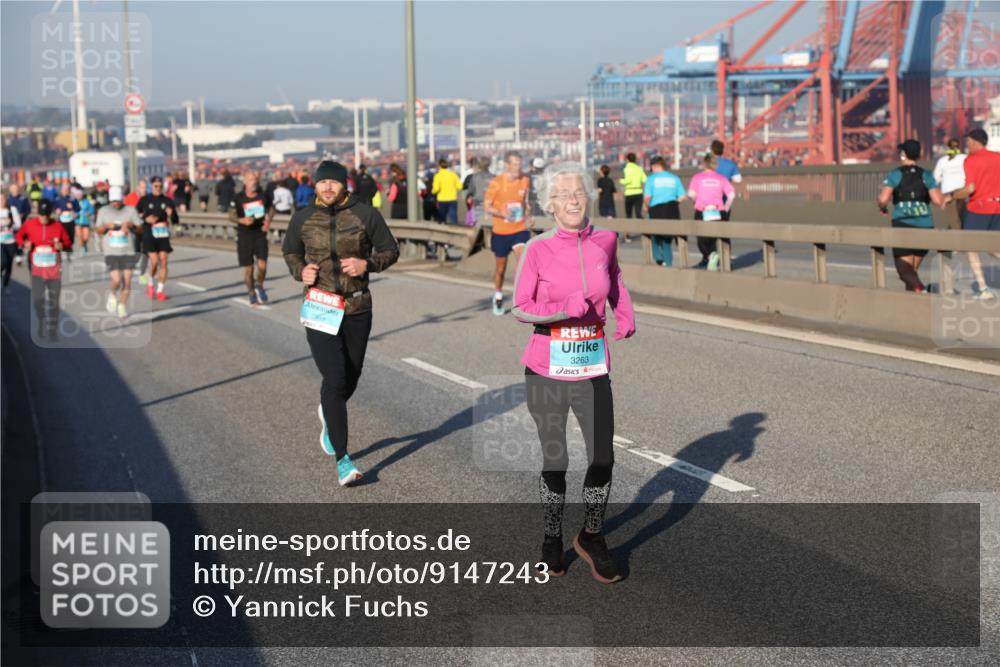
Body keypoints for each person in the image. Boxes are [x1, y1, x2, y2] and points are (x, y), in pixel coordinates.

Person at [511, 161, 636, 584]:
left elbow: (615, 279)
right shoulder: (537, 249)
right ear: (550, 204)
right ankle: (551, 538)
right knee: (556, 458)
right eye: (563, 194)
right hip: (546, 366)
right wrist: (563, 310)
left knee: (603, 456)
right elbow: (520, 307)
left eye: (578, 193)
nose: (572, 200)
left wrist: (625, 312)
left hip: (591, 364)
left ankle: (592, 535)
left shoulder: (605, 241)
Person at [281, 160, 400, 486]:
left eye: (333, 183)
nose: (328, 188)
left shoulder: (365, 214)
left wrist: (368, 263)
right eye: (323, 184)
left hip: (358, 306)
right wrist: (299, 271)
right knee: (334, 378)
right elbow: (290, 251)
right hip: (320, 306)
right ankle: (343, 460)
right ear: (315, 186)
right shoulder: (303, 218)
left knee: (351, 374)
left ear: (343, 185)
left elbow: (391, 250)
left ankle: (328, 413)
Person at [877, 139, 946, 293]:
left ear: (903, 154)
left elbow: (883, 199)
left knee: (904, 272)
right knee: (912, 272)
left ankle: (925, 290)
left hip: (903, 225)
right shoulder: (926, 175)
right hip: (926, 225)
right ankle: (912, 309)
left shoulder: (895, 174)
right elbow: (937, 201)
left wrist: (882, 207)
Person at [946, 128, 1000, 300]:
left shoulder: (971, 160)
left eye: (968, 141)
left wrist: (953, 196)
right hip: (998, 206)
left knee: (971, 247)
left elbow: (970, 188)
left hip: (979, 208)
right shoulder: (998, 157)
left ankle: (983, 289)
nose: (966, 145)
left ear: (975, 141)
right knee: (994, 248)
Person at [16, 200, 71, 340]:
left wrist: (62, 246)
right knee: (37, 299)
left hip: (54, 269)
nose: (44, 218)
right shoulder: (29, 224)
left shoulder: (58, 226)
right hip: (36, 269)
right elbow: (19, 236)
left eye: (46, 215)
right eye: (41, 215)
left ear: (50, 214)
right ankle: (41, 322)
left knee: (54, 299)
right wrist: (24, 244)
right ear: (37, 213)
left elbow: (68, 242)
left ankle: (53, 330)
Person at [485, 151, 532, 315]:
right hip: (501, 231)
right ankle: (498, 295)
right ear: (506, 165)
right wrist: (501, 213)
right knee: (500, 269)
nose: (517, 168)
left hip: (519, 229)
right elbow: (487, 206)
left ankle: (523, 298)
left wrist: (528, 216)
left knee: (524, 260)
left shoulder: (525, 180)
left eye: (519, 164)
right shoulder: (496, 183)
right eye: (514, 164)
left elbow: (525, 203)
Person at [229, 170, 275, 305]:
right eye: (250, 180)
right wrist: (242, 220)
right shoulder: (238, 198)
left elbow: (272, 209)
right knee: (249, 269)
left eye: (255, 180)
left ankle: (260, 284)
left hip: (260, 233)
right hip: (244, 235)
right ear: (245, 182)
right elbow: (231, 216)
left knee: (263, 265)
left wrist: (268, 221)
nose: (253, 182)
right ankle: (251, 292)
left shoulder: (263, 196)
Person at [95, 186, 141, 318]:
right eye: (113, 200)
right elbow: (97, 230)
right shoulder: (103, 211)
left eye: (118, 200)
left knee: (127, 281)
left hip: (128, 250)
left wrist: (131, 225)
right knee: (116, 279)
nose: (116, 203)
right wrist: (106, 227)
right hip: (111, 251)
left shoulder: (130, 210)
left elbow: (140, 229)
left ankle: (122, 306)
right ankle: (112, 294)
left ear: (122, 199)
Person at [688, 153, 734, 271]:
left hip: (702, 210)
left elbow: (691, 194)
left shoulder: (697, 177)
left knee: (702, 237)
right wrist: (726, 207)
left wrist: (696, 202)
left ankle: (710, 255)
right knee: (723, 237)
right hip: (718, 210)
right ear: (715, 165)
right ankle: (727, 261)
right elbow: (731, 194)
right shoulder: (721, 178)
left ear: (704, 163)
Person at [137, 176, 178, 301]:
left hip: (163, 233)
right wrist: (145, 219)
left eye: (160, 186)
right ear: (152, 186)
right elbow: (135, 216)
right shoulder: (144, 200)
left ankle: (160, 290)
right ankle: (150, 283)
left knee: (164, 261)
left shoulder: (168, 200)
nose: (158, 188)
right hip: (149, 232)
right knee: (154, 261)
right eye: (156, 186)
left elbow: (176, 220)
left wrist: (172, 215)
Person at [643, 157, 687, 267]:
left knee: (654, 235)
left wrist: (646, 206)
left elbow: (647, 197)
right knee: (667, 240)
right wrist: (673, 203)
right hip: (672, 209)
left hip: (656, 209)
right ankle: (668, 265)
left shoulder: (651, 179)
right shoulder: (674, 178)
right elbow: (683, 196)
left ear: (654, 166)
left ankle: (658, 258)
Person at [933, 138, 967, 231]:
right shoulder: (965, 157)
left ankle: (957, 242)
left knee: (954, 221)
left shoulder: (942, 160)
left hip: (948, 193)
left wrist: (944, 179)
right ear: (959, 146)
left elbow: (936, 178)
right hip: (963, 191)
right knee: (961, 219)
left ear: (948, 146)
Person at [710, 139, 742, 219]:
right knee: (723, 228)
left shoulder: (709, 164)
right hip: (724, 202)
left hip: (709, 202)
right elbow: (738, 179)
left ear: (712, 150)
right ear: (722, 150)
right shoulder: (730, 164)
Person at [1, 193, 23, 294]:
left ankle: (5, 285)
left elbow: (18, 224)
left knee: (9, 264)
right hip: (0, 241)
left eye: (3, 198)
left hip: (10, 241)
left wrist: (11, 224)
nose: (1, 201)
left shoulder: (12, 209)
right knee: (3, 262)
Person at [52, 182, 79, 262]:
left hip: (70, 220)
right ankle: (62, 252)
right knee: (61, 237)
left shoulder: (73, 199)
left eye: (67, 189)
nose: (65, 191)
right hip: (61, 221)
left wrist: (72, 207)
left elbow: (78, 209)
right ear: (61, 190)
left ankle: (69, 252)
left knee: (70, 237)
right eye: (63, 189)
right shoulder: (57, 198)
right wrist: (56, 210)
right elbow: (54, 208)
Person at [464, 156, 493, 226]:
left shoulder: (475, 177)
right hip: (491, 206)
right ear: (489, 165)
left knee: (478, 227)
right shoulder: (494, 177)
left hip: (478, 205)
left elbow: (470, 192)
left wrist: (469, 198)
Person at [431, 159, 462, 225]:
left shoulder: (437, 176)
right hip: (452, 199)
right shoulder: (453, 175)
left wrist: (432, 192)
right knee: (453, 218)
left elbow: (436, 189)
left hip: (442, 200)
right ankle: (455, 231)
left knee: (442, 219)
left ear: (439, 166)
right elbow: (460, 186)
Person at [7, 184, 31, 268]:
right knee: (13, 240)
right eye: (13, 190)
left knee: (20, 240)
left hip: (22, 223)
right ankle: (16, 256)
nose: (15, 191)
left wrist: (23, 214)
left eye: (16, 189)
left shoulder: (23, 199)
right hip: (11, 225)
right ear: (10, 190)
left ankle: (19, 256)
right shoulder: (8, 200)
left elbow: (28, 210)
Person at [619, 152, 646, 221]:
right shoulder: (639, 168)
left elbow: (628, 181)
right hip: (639, 192)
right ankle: (645, 229)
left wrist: (621, 180)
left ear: (627, 160)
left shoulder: (627, 168)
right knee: (638, 214)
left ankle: (628, 231)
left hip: (629, 193)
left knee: (629, 215)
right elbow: (645, 179)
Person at [75, 188, 95, 255]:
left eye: (80, 195)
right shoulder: (74, 202)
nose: (79, 196)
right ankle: (82, 248)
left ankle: (84, 245)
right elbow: (71, 210)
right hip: (77, 222)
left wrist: (88, 213)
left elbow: (92, 209)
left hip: (85, 221)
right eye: (77, 195)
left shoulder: (86, 202)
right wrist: (74, 213)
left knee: (86, 237)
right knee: (80, 236)